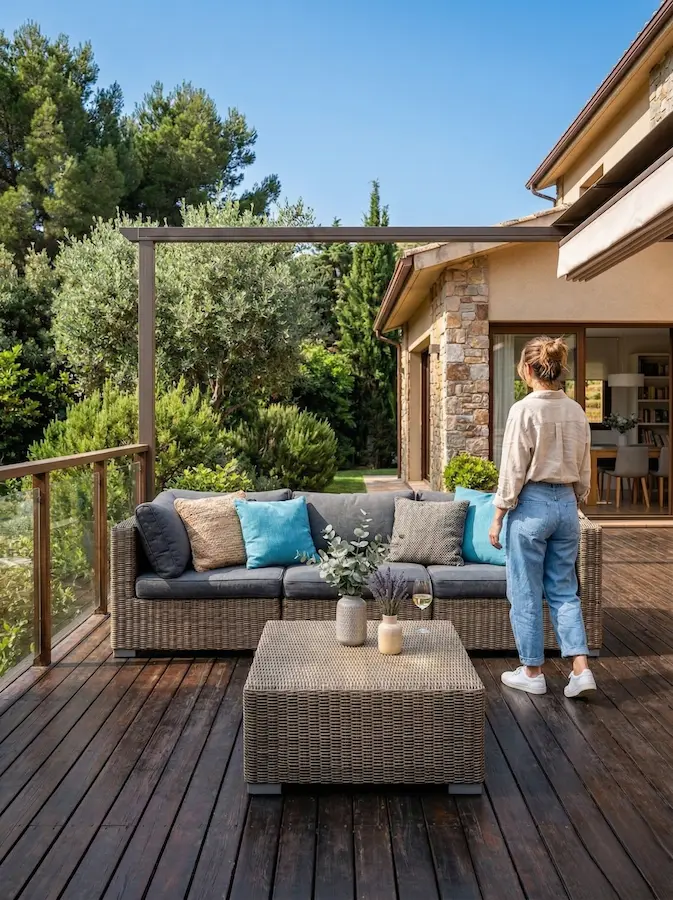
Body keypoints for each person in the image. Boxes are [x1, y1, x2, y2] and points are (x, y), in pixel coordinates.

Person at [489, 336, 597, 698]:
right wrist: (574, 498)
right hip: (567, 505)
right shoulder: (577, 410)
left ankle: (532, 671)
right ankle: (580, 670)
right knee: (565, 590)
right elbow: (585, 468)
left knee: (525, 590)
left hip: (531, 506)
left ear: (528, 369)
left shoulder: (524, 409)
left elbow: (513, 469)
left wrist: (499, 515)